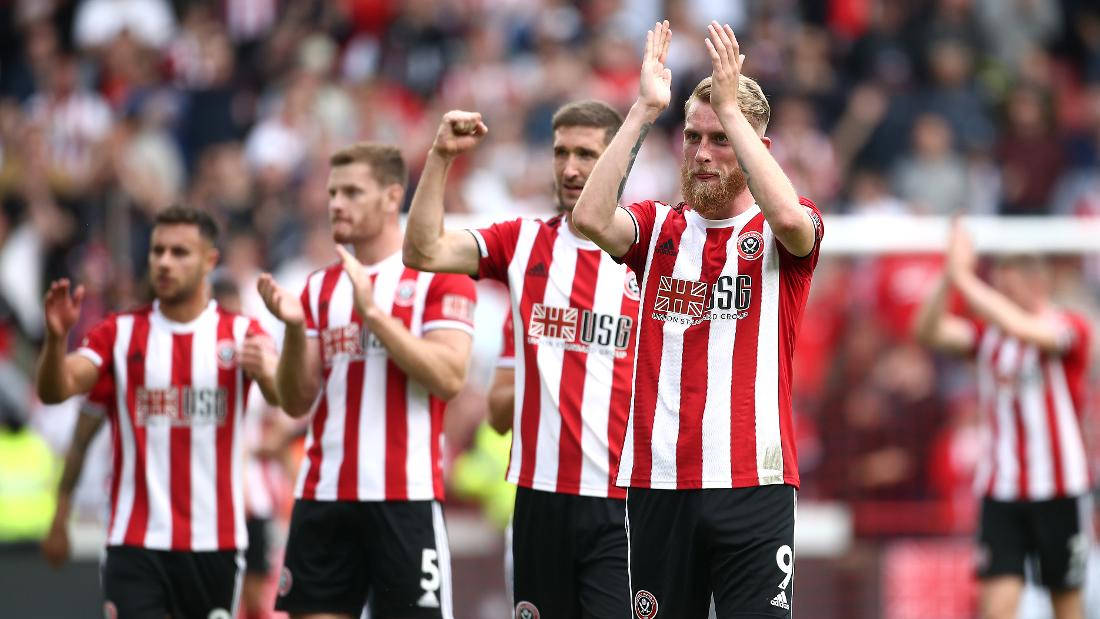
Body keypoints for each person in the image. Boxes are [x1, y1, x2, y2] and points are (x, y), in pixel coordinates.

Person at [572, 20, 824, 618]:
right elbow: (589, 217)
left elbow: (791, 221)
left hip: (753, 483)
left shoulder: (783, 226)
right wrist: (641, 110)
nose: (703, 153)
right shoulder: (659, 227)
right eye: (693, 138)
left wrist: (733, 113)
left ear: (755, 148)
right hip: (659, 483)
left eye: (720, 140)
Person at [403, 99, 641, 617]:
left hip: (622, 504)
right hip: (537, 500)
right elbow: (422, 252)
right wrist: (441, 157)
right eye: (562, 153)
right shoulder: (523, 243)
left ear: (618, 160)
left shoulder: (649, 254)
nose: (572, 168)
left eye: (587, 154)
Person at [258, 142, 477, 619]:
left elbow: (449, 377)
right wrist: (295, 330)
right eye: (333, 192)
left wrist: (375, 316)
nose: (336, 203)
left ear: (391, 196)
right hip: (325, 494)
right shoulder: (318, 286)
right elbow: (296, 402)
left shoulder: (440, 276)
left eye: (352, 192)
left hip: (405, 498)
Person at [35, 205, 279, 618]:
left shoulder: (241, 335)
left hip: (214, 542)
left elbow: (287, 399)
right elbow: (58, 394)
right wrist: (56, 341)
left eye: (179, 252)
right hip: (135, 543)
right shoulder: (118, 335)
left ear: (209, 261)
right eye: (157, 251)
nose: (164, 262)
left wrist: (278, 356)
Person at [914, 220, 1091, 619]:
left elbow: (1024, 328)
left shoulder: (1069, 328)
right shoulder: (988, 338)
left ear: (1036, 284)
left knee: (1066, 606)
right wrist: (948, 276)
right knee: (996, 608)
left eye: (1006, 289)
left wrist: (964, 278)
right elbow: (926, 331)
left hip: (1059, 489)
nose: (998, 299)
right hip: (1002, 491)